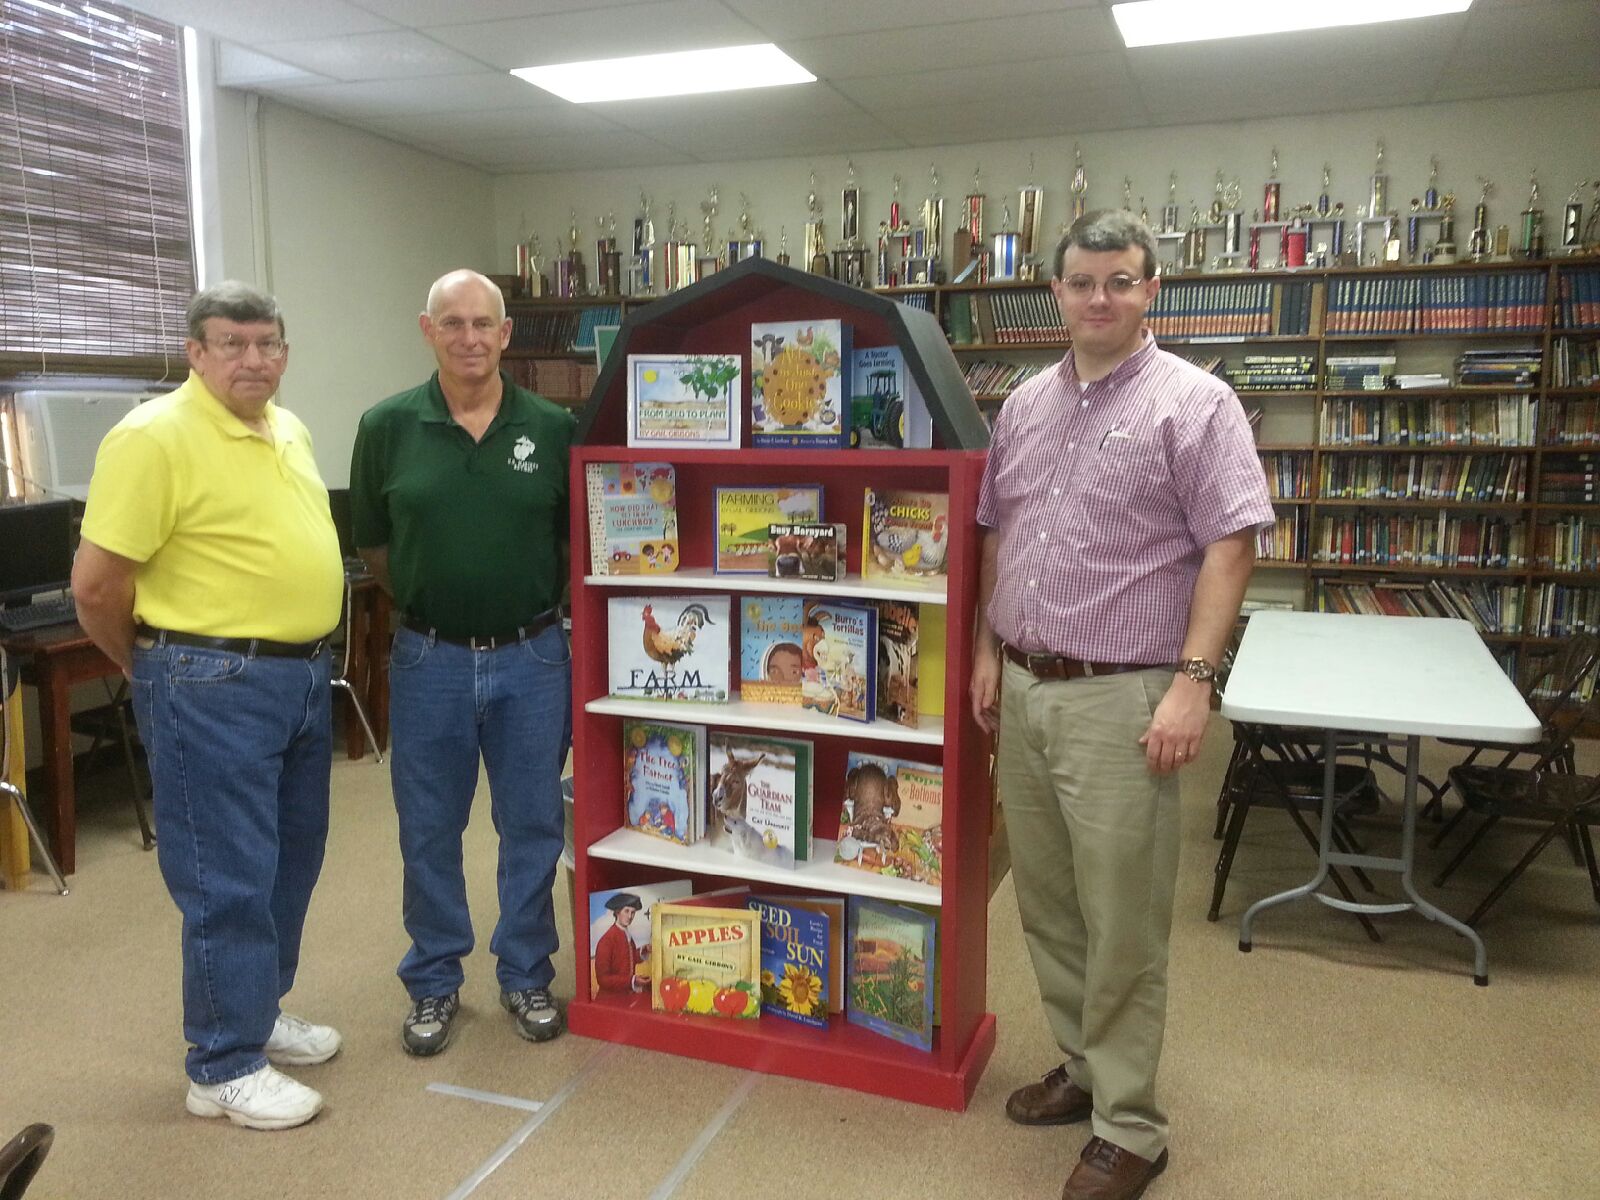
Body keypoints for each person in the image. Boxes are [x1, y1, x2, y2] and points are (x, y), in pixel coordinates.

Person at [968, 211, 1273, 1200]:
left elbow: (1231, 544)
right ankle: (1087, 1069)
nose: (1098, 298)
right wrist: (982, 649)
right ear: (1053, 291)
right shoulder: (1021, 405)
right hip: (1022, 685)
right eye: (1081, 281)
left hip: (1123, 697)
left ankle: (1133, 1126)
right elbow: (995, 535)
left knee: (1124, 919)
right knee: (1049, 903)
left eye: (1120, 281)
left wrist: (1194, 683)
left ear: (1151, 291)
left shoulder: (1197, 404)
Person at [72, 281, 344, 1131]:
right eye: (232, 343)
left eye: (268, 343)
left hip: (299, 679)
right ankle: (221, 1063)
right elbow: (96, 586)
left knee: (290, 863)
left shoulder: (287, 426)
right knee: (226, 877)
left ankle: (256, 1012)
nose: (253, 359)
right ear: (194, 352)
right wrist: (158, 669)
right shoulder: (152, 437)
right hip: (209, 683)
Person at [349, 268, 575, 1056]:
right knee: (429, 829)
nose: (471, 338)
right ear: (427, 329)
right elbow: (374, 546)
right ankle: (435, 982)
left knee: (533, 823)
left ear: (507, 334)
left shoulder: (552, 427)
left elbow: (575, 541)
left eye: (484, 323)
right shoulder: (384, 426)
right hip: (428, 659)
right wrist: (436, 598)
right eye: (454, 324)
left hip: (534, 657)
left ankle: (524, 972)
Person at [593, 893, 645, 994]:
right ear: (617, 912)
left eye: (633, 912)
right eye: (626, 911)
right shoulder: (607, 940)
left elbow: (627, 958)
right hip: (610, 998)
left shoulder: (627, 935)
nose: (630, 916)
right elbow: (603, 979)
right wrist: (632, 981)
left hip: (626, 994)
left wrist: (643, 951)